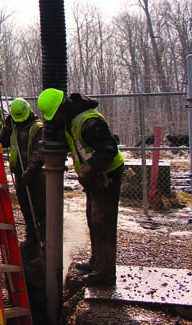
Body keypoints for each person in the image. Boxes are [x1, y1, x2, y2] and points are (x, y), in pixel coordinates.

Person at [37, 88, 125, 286]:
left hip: (108, 174)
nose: (56, 120)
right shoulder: (72, 120)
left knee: (103, 223)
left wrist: (90, 168)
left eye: (56, 115)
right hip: (97, 176)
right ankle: (97, 262)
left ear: (62, 107)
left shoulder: (88, 121)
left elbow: (109, 148)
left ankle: (105, 273)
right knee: (94, 220)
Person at [0, 98, 46, 255]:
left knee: (40, 209)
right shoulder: (14, 126)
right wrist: (6, 127)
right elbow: (2, 142)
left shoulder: (37, 128)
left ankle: (45, 241)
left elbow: (40, 152)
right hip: (20, 174)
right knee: (26, 208)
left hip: (36, 176)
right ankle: (32, 238)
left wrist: (31, 170)